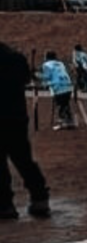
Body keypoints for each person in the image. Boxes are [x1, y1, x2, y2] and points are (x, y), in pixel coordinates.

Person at [0, 38, 50, 218]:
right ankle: (40, 198)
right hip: (16, 118)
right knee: (24, 160)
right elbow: (25, 79)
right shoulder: (16, 58)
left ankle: (5, 205)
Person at [40, 51, 75, 129]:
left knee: (60, 105)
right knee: (65, 104)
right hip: (68, 86)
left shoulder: (46, 65)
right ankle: (69, 121)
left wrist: (38, 76)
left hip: (59, 87)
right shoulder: (60, 63)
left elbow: (47, 77)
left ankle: (64, 122)